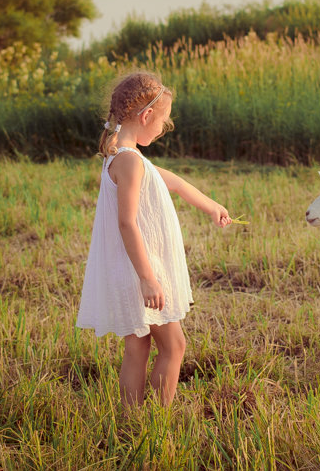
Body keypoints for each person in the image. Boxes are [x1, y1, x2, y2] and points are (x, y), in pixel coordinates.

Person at [76, 71, 231, 407]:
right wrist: (148, 279)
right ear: (146, 116)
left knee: (139, 345)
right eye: (164, 119)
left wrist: (212, 206)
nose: (165, 126)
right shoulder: (130, 162)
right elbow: (127, 223)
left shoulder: (124, 156)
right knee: (174, 346)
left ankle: (132, 419)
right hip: (141, 270)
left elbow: (173, 182)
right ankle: (156, 421)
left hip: (130, 267)